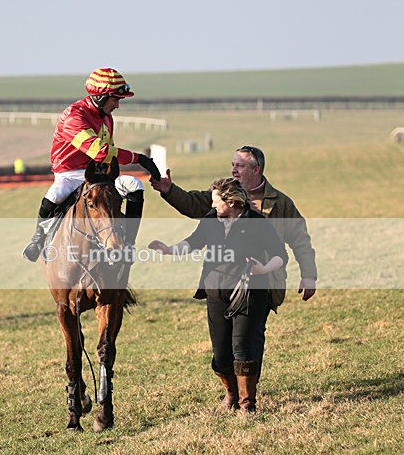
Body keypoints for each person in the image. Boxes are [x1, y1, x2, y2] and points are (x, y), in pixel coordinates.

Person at [150, 145, 317, 375]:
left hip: (262, 283)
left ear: (256, 169)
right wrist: (170, 191)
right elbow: (193, 204)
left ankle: (248, 394)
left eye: (240, 165)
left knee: (250, 339)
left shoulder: (279, 203)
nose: (234, 170)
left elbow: (300, 240)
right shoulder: (222, 196)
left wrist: (308, 275)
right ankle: (233, 391)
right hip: (221, 283)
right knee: (224, 346)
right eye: (232, 165)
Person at [149, 178, 287, 414]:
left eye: (216, 201)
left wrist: (263, 269)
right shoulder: (211, 220)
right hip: (215, 293)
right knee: (221, 354)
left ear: (232, 201)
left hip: (249, 292)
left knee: (242, 347)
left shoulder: (257, 223)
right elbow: (193, 243)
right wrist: (169, 250)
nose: (212, 207)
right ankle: (231, 394)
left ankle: (247, 404)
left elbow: (280, 255)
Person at [22, 68, 161, 262]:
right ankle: (37, 239)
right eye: (116, 99)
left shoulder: (106, 116)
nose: (118, 105)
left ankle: (128, 243)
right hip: (69, 174)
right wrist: (139, 159)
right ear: (101, 97)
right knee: (56, 193)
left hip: (99, 173)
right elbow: (100, 151)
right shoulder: (74, 117)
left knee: (135, 185)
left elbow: (108, 154)